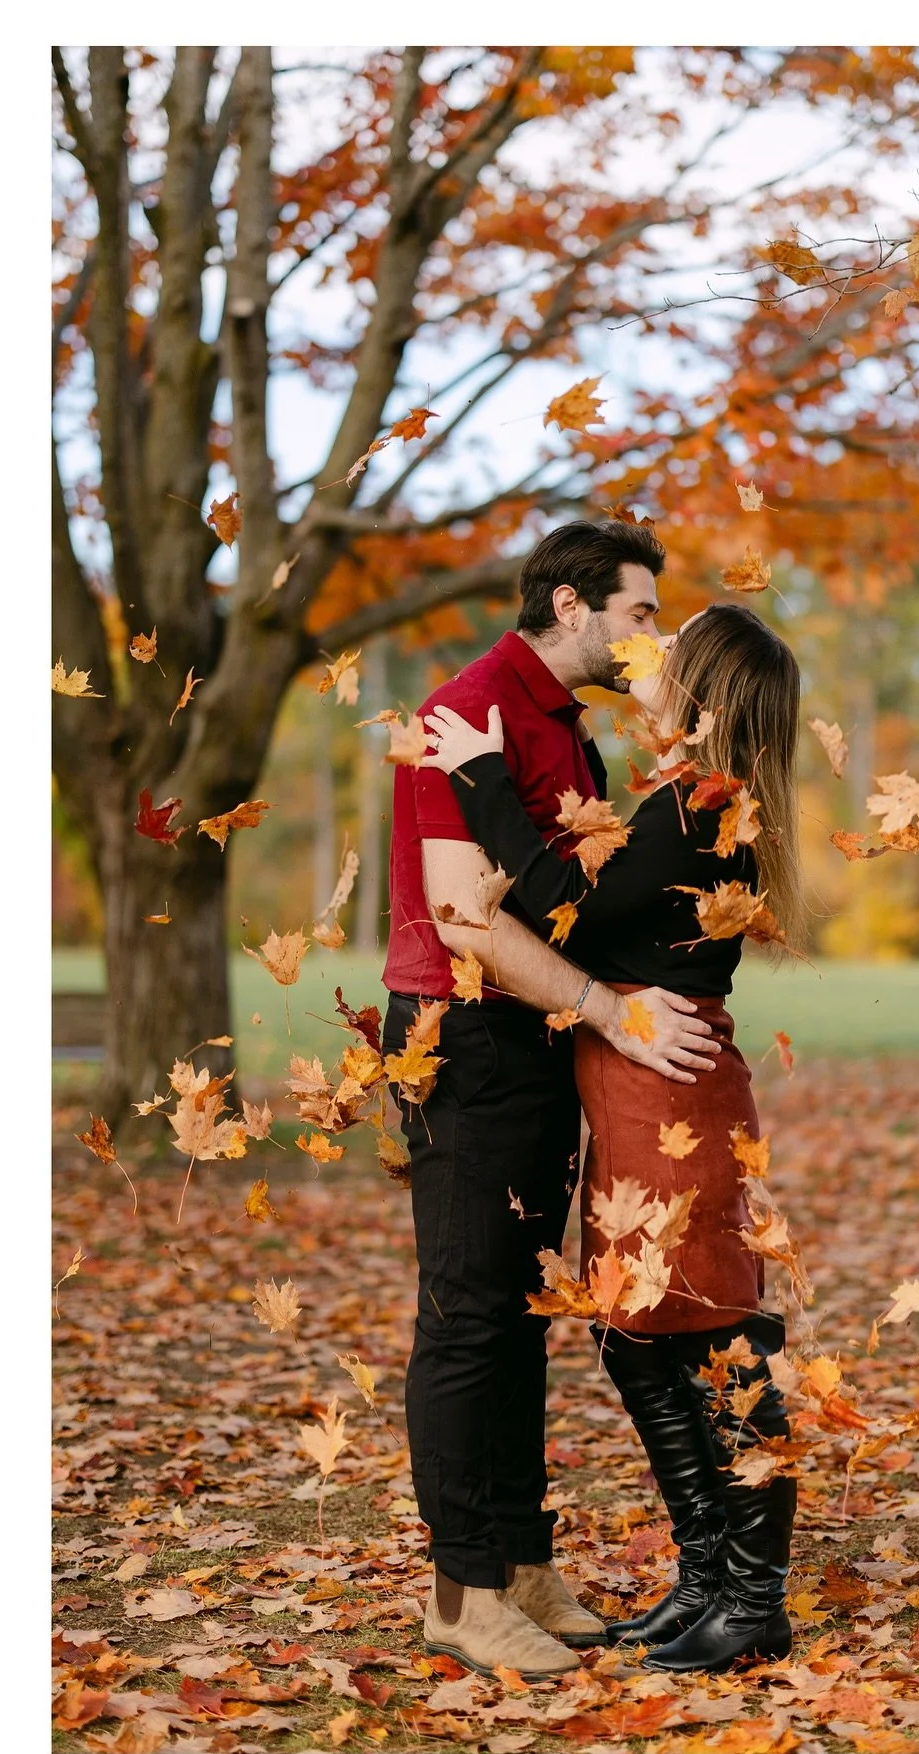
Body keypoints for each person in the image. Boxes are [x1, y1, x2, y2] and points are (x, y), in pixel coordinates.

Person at [420, 600, 805, 1673]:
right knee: (637, 1331)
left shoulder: (697, 806)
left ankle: (752, 1598)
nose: (648, 657)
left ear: (704, 693)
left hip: (671, 1099)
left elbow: (555, 904)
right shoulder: (688, 802)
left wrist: (485, 776)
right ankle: (711, 1573)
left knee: (714, 1336)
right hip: (643, 1091)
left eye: (666, 649)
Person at [380, 519, 720, 1682]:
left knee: (525, 1307)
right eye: (638, 612)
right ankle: (461, 1594)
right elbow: (470, 914)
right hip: (462, 1034)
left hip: (538, 1040)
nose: (651, 635)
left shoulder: (568, 734)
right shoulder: (461, 708)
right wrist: (608, 1008)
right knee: (470, 1313)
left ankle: (521, 1566)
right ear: (570, 606)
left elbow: (566, 893)